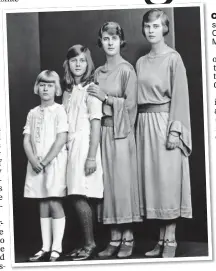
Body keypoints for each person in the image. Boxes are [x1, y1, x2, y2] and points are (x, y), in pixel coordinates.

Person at [136, 8, 192, 258]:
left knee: (168, 183)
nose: (151, 30)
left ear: (165, 29)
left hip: (165, 122)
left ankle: (171, 240)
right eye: (148, 26)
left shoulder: (173, 58)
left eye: (156, 26)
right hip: (144, 125)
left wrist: (175, 131)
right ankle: (160, 239)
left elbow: (180, 96)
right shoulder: (140, 61)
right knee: (154, 183)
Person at [87, 21, 142, 259]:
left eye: (114, 38)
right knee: (107, 186)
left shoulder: (127, 70)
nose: (110, 43)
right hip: (102, 135)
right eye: (106, 39)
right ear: (101, 42)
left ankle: (128, 238)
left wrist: (106, 97)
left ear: (121, 41)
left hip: (121, 133)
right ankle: (114, 238)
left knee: (122, 185)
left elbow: (131, 106)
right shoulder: (97, 72)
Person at [62, 44, 103, 261]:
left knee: (80, 195)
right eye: (74, 60)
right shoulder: (68, 90)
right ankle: (83, 243)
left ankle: (90, 244)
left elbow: (95, 125)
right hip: (69, 147)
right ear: (68, 63)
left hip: (85, 146)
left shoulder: (92, 89)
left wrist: (90, 156)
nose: (78, 64)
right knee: (74, 195)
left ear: (88, 64)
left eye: (82, 60)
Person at [23, 70, 68, 262]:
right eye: (42, 84)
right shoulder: (32, 113)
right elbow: (26, 140)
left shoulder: (59, 110)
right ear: (37, 87)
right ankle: (45, 247)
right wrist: (33, 160)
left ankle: (57, 247)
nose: (46, 88)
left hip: (54, 162)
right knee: (42, 201)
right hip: (36, 164)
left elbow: (61, 138)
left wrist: (45, 161)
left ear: (56, 88)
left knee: (54, 201)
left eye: (50, 85)